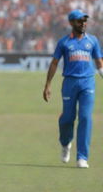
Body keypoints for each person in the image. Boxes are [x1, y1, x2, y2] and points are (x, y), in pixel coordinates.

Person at [43, 9, 103, 168]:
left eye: (84, 21)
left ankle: (82, 157)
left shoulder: (93, 41)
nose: (83, 24)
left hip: (88, 83)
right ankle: (65, 143)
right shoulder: (64, 42)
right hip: (69, 83)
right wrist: (48, 84)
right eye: (79, 21)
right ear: (71, 23)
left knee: (85, 117)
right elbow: (54, 63)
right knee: (68, 118)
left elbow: (99, 62)